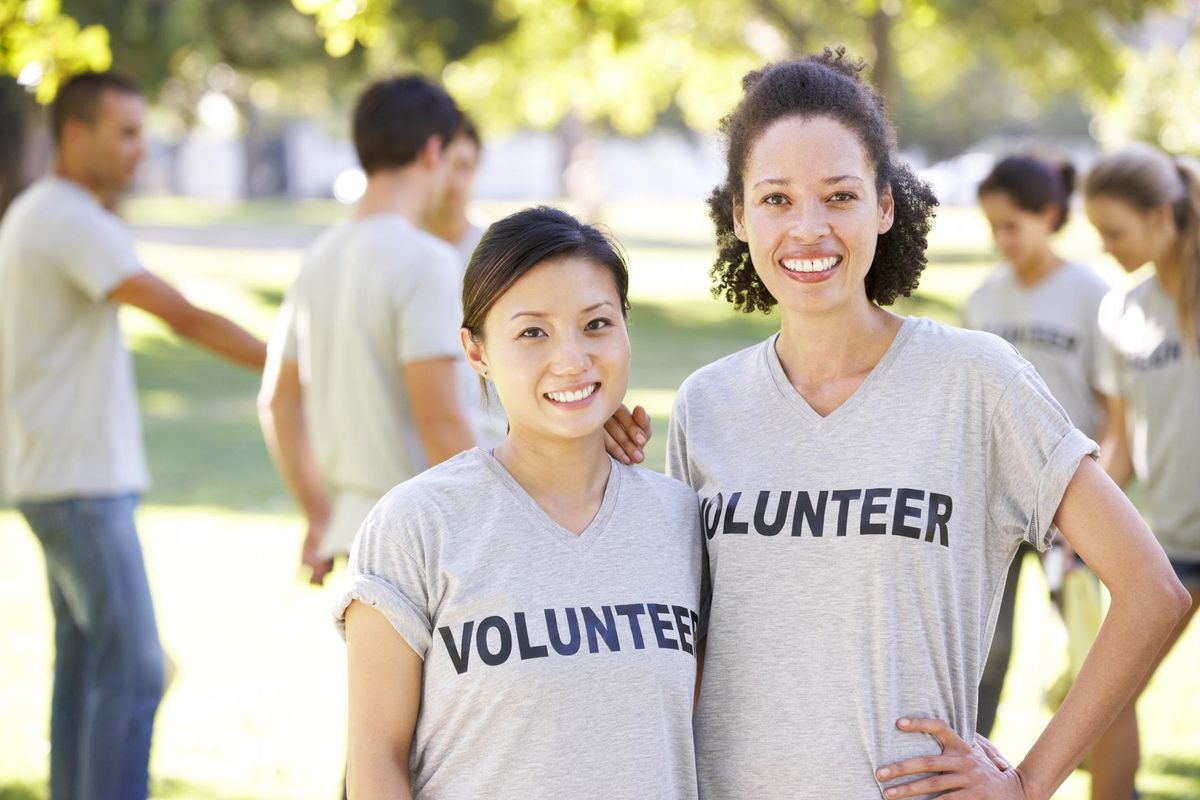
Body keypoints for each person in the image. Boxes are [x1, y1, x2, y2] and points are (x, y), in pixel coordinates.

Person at [602, 49, 1189, 799]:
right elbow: (686, 639)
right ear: (740, 216)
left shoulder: (977, 381)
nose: (808, 228)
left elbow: (1151, 591)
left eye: (839, 196)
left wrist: (1028, 784)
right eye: (776, 199)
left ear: (885, 206)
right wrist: (603, 468)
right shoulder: (708, 404)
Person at [334, 206, 704, 798]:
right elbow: (375, 760)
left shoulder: (682, 523)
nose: (572, 358)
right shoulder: (416, 526)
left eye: (597, 324)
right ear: (476, 351)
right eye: (533, 332)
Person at [0, 72, 267, 800]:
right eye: (123, 132)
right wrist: (291, 367)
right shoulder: (68, 218)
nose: (138, 150)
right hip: (81, 486)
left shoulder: (40, 212)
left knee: (87, 671)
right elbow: (178, 314)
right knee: (137, 670)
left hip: (54, 479)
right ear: (73, 133)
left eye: (141, 132)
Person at [258, 76, 476, 586]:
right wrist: (501, 524)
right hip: (426, 538)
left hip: (355, 533)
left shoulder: (320, 256)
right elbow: (441, 419)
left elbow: (277, 401)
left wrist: (318, 514)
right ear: (432, 151)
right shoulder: (426, 260)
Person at [965, 156, 1111, 740]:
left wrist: (1092, 512)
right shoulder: (982, 301)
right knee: (986, 653)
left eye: (1011, 226)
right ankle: (967, 764)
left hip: (1070, 507)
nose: (1001, 240)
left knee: (1091, 653)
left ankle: (1112, 776)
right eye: (991, 226)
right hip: (994, 503)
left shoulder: (1092, 295)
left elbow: (1114, 412)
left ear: (1047, 215)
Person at [1083, 144, 1200, 799]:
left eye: (1114, 232)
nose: (1104, 247)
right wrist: (1080, 526)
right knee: (1107, 697)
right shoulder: (1122, 310)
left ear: (1162, 216)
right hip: (1172, 545)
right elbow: (1121, 444)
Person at [422, 113, 508, 448]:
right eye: (447, 165)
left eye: (465, 166)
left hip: (495, 437)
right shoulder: (404, 256)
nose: (454, 180)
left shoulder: (497, 249)